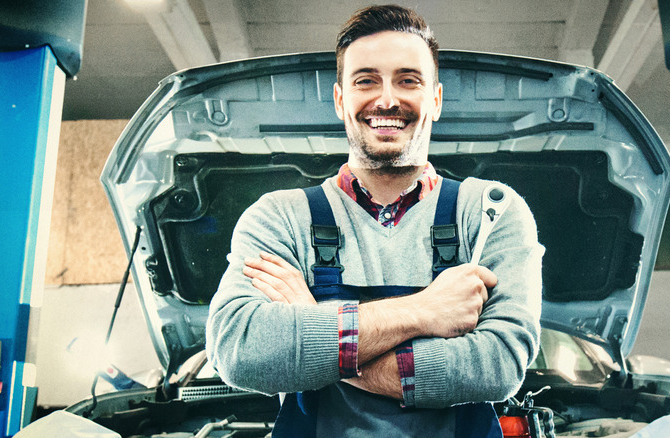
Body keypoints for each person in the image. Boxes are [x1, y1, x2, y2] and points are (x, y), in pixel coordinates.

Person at [206, 5, 544, 437]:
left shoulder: (491, 212)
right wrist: (423, 311)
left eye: (408, 80)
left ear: (435, 100)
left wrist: (313, 329)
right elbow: (240, 350)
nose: (387, 99)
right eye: (366, 80)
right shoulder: (279, 216)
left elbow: (498, 365)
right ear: (340, 99)